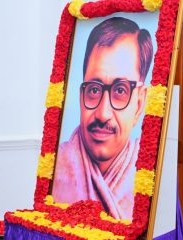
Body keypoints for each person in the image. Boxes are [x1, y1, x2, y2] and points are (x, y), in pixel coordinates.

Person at [52, 17, 153, 220]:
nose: (103, 114)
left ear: (139, 104)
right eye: (94, 90)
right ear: (81, 96)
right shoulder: (57, 168)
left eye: (120, 90)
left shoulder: (150, 176)